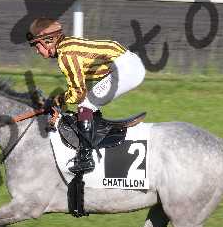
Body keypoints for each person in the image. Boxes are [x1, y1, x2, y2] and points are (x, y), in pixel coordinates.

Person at [26, 17, 146, 176]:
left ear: (48, 41)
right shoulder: (67, 45)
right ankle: (94, 130)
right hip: (127, 64)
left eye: (37, 45)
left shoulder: (66, 55)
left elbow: (78, 93)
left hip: (126, 68)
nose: (36, 51)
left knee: (85, 105)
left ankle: (85, 157)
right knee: (87, 103)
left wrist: (57, 100)